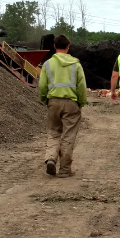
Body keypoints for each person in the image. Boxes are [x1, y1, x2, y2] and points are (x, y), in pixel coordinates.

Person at [39, 35, 87, 178]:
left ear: (54, 46)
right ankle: (65, 169)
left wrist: (45, 100)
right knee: (68, 135)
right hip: (71, 103)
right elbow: (82, 86)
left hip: (53, 102)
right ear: (68, 46)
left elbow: (41, 86)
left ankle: (51, 158)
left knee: (54, 132)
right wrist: (81, 103)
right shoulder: (76, 64)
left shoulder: (47, 64)